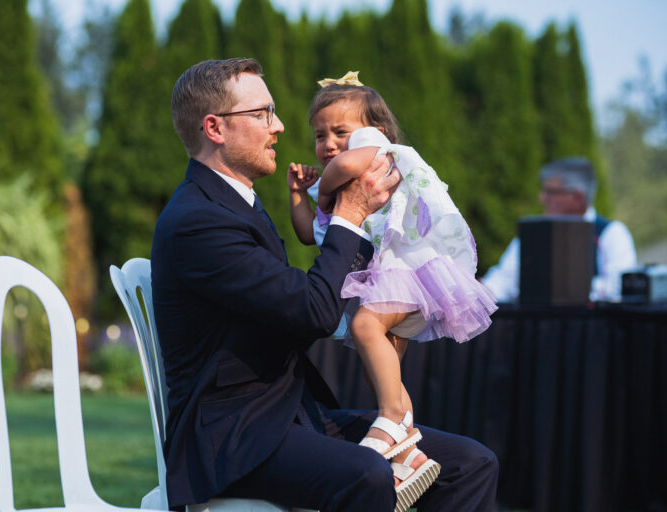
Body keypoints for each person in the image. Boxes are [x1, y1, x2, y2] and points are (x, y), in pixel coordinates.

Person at [152, 58, 499, 512]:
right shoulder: (198, 220)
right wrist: (349, 214)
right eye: (262, 113)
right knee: (367, 474)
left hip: (287, 415)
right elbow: (312, 312)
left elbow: (297, 309)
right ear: (215, 128)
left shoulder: (237, 205)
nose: (278, 126)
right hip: (233, 435)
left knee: (471, 463)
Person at [288, 72, 498, 508]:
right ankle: (408, 452)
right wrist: (297, 196)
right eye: (320, 135)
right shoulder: (344, 188)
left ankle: (389, 421)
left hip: (411, 274)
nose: (328, 144)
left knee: (365, 328)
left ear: (376, 129)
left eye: (339, 131)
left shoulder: (374, 152)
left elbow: (346, 165)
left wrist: (322, 190)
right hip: (385, 284)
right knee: (380, 369)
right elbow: (309, 234)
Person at [481, 157, 637, 302]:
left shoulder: (610, 233)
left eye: (549, 192)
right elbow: (501, 281)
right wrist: (477, 293)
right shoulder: (533, 235)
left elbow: (619, 287)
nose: (542, 199)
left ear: (577, 197)